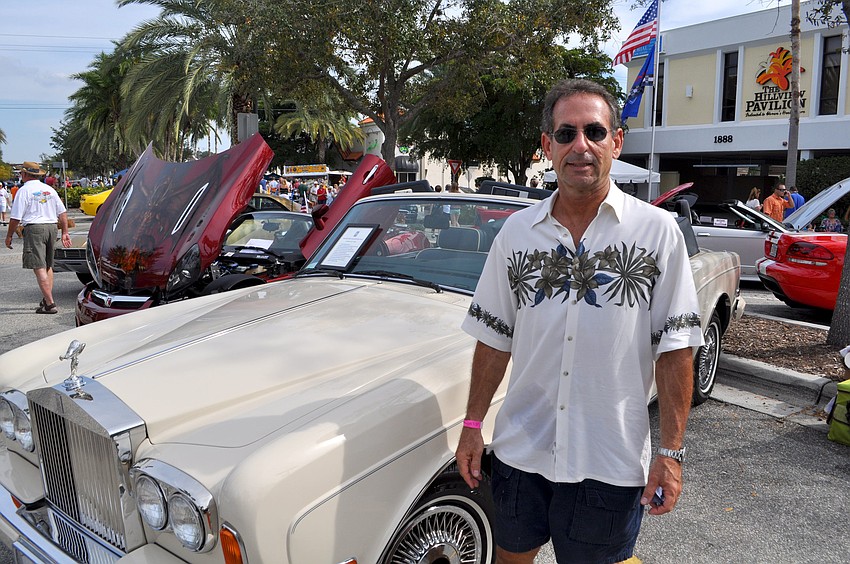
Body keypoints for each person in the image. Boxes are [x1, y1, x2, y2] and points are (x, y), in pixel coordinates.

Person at [455, 79, 703, 564]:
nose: (580, 146)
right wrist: (471, 424)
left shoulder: (657, 233)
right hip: (520, 453)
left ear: (617, 141)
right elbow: (493, 338)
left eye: (595, 131)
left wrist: (671, 453)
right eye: (566, 134)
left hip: (608, 461)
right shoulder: (516, 233)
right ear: (547, 145)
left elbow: (675, 347)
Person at [4, 162, 72, 314]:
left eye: (21, 173)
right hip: (51, 227)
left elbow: (15, 217)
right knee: (48, 265)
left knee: (38, 266)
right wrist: (65, 232)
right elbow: (62, 212)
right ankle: (46, 299)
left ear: (25, 174)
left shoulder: (24, 190)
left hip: (34, 228)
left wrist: (9, 235)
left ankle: (50, 303)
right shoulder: (49, 189)